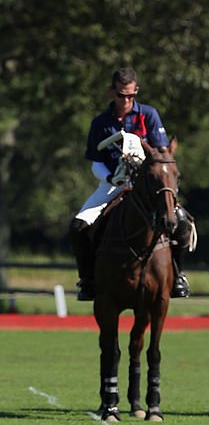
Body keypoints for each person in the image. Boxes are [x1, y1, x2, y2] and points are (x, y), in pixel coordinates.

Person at [69, 67, 194, 300]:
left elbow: (160, 152)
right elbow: (95, 162)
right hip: (111, 184)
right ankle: (87, 280)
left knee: (181, 221)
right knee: (78, 227)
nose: (126, 101)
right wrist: (109, 178)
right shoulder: (100, 123)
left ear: (136, 91)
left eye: (131, 96)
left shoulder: (148, 115)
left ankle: (178, 276)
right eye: (121, 96)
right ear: (112, 92)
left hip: (147, 186)